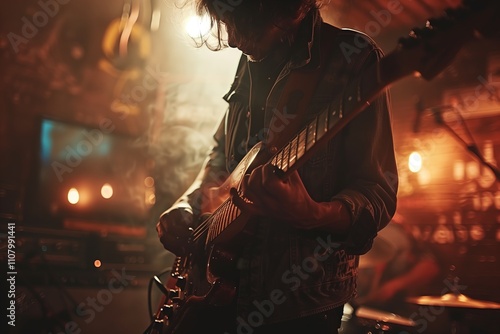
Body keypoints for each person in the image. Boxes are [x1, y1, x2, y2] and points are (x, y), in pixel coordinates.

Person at [156, 1, 398, 333]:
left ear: (288, 8)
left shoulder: (353, 58)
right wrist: (187, 200)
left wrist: (311, 214)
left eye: (243, 26)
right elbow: (219, 155)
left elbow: (377, 195)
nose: (231, 41)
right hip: (215, 294)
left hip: (296, 309)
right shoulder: (250, 59)